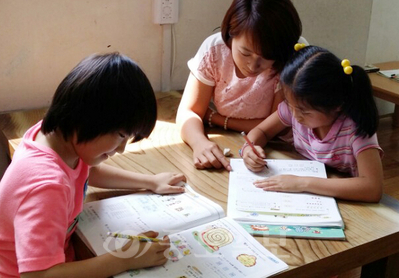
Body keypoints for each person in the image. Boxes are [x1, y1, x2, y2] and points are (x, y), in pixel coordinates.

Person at [0, 53, 187, 278]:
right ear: (87, 118)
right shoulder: (47, 186)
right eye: (120, 135)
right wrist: (124, 259)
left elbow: (87, 171)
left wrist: (150, 181)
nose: (121, 149)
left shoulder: (55, 135)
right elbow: (38, 276)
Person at [241, 45, 383, 202]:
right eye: (289, 104)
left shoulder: (355, 129)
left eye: (305, 112)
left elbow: (372, 188)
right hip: (310, 189)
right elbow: (262, 131)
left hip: (344, 198)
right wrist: (250, 148)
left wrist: (302, 183)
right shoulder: (295, 109)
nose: (296, 116)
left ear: (337, 105)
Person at [176, 0, 303, 171]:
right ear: (230, 33)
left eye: (266, 57)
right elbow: (188, 112)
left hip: (285, 150)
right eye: (245, 53)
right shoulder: (215, 50)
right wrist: (199, 143)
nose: (253, 65)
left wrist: (217, 119)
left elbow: (276, 126)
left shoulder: (294, 55)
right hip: (238, 143)